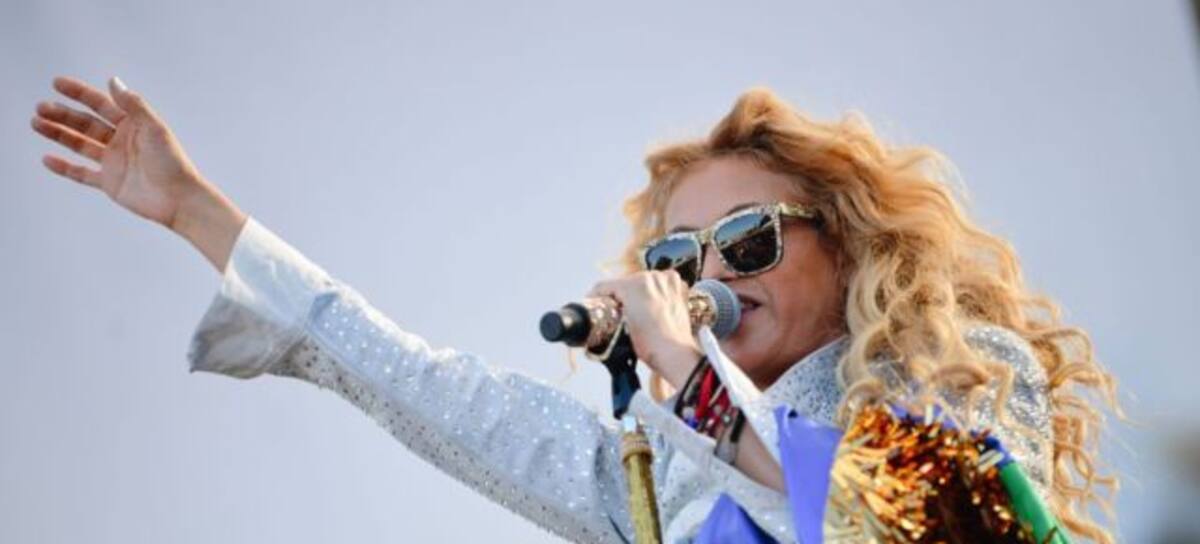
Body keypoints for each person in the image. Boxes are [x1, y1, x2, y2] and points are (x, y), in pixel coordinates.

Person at [29, 75, 1119, 543]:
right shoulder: (662, 477)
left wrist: (693, 382)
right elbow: (433, 388)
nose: (711, 277)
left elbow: (902, 518)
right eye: (677, 258)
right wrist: (198, 213)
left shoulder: (966, 371)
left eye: (749, 240)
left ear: (845, 246)